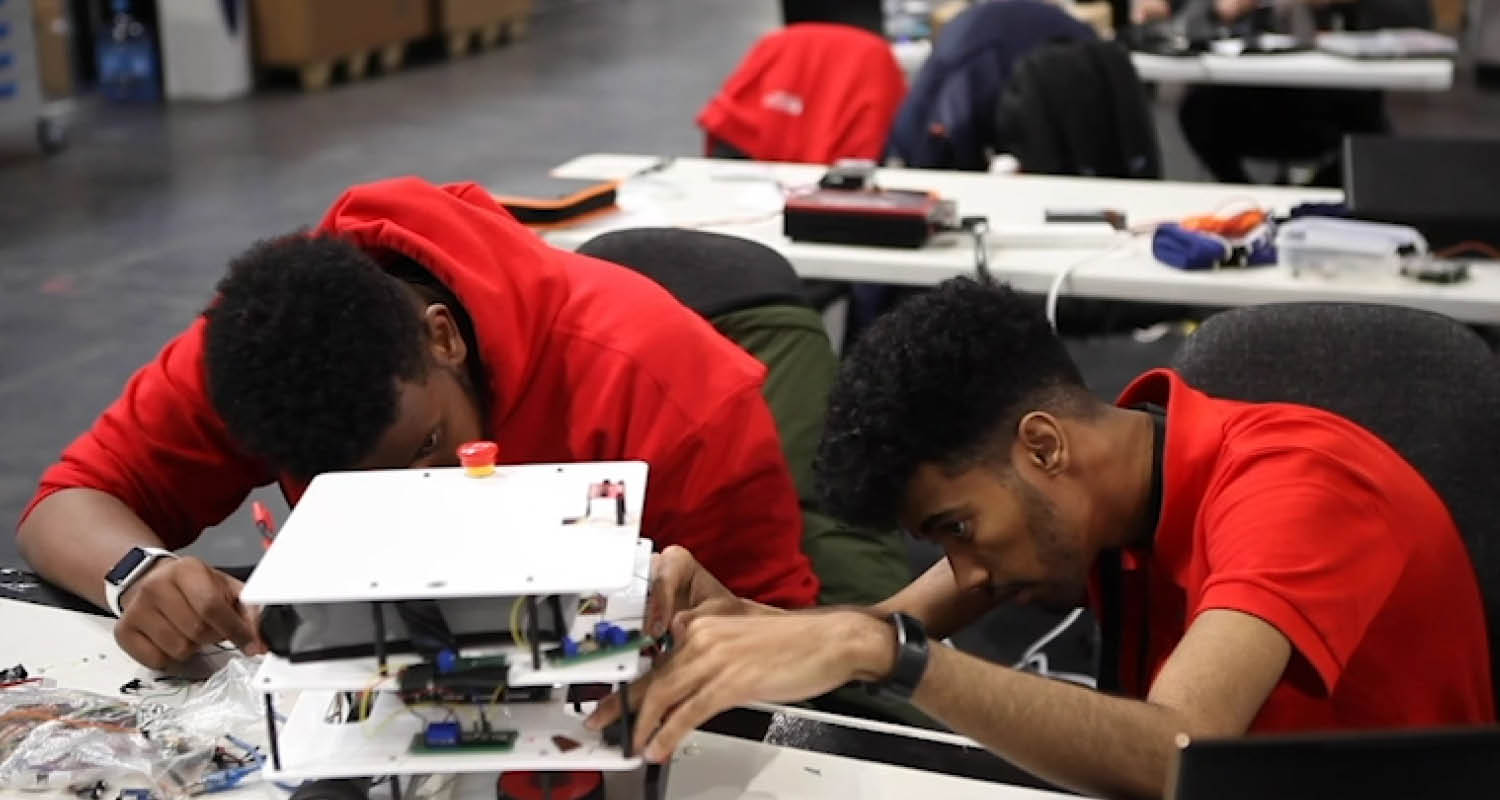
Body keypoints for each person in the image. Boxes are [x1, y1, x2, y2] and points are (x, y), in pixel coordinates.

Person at [586, 279, 1494, 799]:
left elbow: (1181, 748)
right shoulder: (1109, 482)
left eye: (958, 530)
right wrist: (738, 621)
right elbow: (886, 623)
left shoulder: (1298, 487)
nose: (965, 570)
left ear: (1044, 445)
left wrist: (883, 653)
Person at [16, 177, 819, 670]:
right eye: (346, 490)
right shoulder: (263, 349)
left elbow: (790, 642)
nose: (413, 504)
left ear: (444, 338)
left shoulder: (668, 391)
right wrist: (137, 575)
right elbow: (67, 501)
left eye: (425, 452)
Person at [1134, 0, 1433, 186]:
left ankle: (1311, 197)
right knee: (1198, 112)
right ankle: (1249, 197)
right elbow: (1183, 20)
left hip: (1340, 105)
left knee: (1370, 145)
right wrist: (1217, 9)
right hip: (1250, 97)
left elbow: (1418, 16)